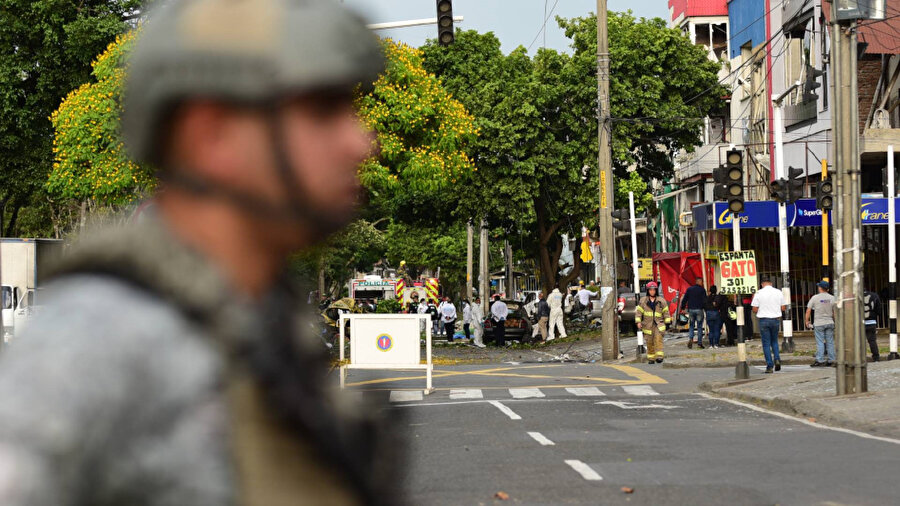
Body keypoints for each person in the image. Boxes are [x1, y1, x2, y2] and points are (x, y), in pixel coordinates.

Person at [0, 0, 400, 503]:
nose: (361, 142)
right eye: (322, 110)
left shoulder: (259, 320)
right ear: (212, 134)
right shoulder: (101, 343)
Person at [751, 277, 786, 373]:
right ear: (771, 283)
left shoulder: (758, 293)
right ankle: (777, 359)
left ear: (762, 284)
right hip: (775, 320)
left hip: (764, 320)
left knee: (766, 344)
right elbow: (783, 308)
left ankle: (770, 366)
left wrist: (762, 310)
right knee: (774, 341)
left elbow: (754, 309)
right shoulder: (778, 292)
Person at [636, 281, 670, 364]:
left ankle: (659, 357)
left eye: (654, 290)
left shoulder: (661, 301)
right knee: (649, 341)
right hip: (647, 325)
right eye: (650, 290)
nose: (652, 291)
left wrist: (667, 323)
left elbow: (666, 312)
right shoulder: (643, 301)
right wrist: (638, 322)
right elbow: (639, 312)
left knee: (658, 340)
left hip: (659, 324)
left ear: (656, 290)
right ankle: (651, 358)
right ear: (648, 291)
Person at [805, 281, 836, 367]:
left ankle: (820, 360)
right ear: (828, 289)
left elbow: (808, 310)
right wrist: (835, 321)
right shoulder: (832, 298)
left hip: (819, 323)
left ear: (820, 288)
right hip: (830, 322)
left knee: (820, 342)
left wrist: (807, 321)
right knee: (830, 342)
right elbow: (834, 312)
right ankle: (832, 360)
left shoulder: (815, 298)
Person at [680, 277, 707, 349]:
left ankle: (691, 339)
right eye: (702, 282)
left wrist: (682, 307)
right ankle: (699, 343)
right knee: (699, 327)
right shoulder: (702, 290)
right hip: (699, 310)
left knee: (691, 326)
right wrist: (706, 309)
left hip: (691, 310)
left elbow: (685, 299)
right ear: (700, 282)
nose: (702, 283)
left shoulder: (689, 289)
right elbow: (705, 301)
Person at [864, 289, 883, 362]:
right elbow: (878, 309)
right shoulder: (874, 295)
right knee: (872, 341)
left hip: (860, 323)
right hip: (871, 322)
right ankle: (876, 358)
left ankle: (860, 357)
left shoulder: (856, 296)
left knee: (859, 342)